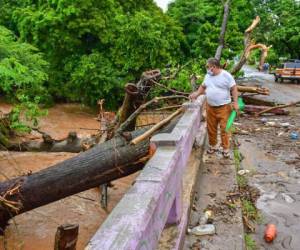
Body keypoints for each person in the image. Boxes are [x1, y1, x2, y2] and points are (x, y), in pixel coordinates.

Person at [189, 58, 239, 158]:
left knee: (225, 128)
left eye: (208, 67)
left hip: (224, 107)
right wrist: (197, 94)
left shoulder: (226, 75)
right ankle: (213, 146)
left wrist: (236, 102)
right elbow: (203, 86)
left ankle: (225, 149)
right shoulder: (208, 76)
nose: (207, 69)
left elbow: (234, 88)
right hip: (210, 106)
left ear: (214, 67)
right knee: (211, 128)